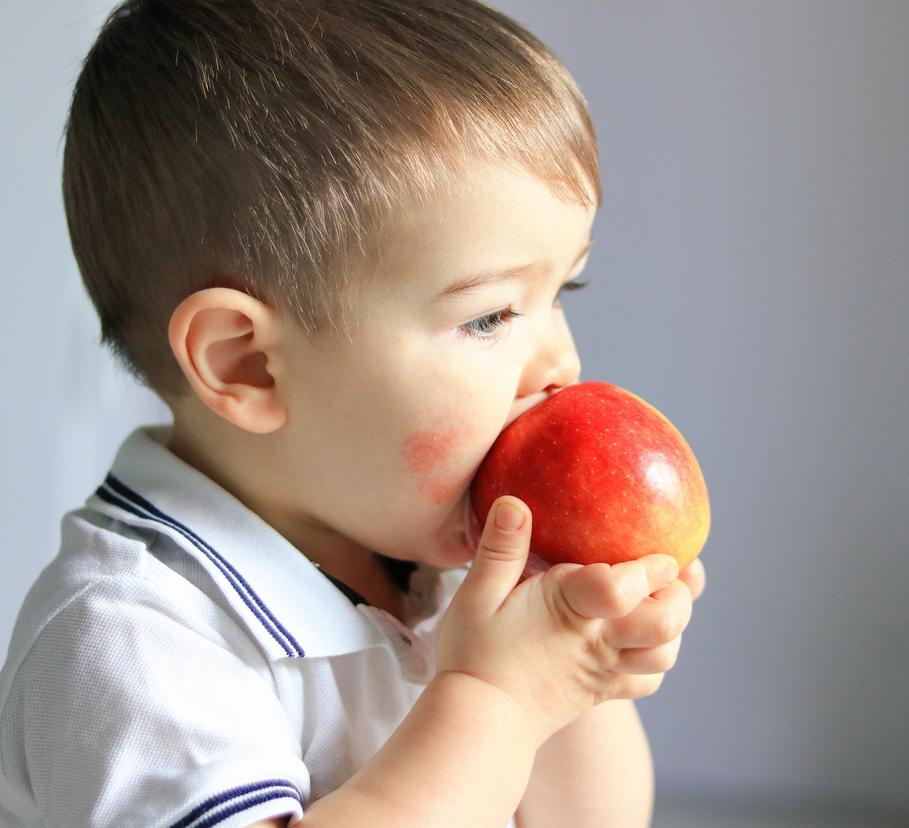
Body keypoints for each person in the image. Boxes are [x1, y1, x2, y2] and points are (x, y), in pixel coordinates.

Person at [0, 1, 707, 825]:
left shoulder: (435, 567)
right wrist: (494, 702)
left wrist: (575, 678)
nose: (563, 364)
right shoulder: (129, 638)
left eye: (562, 293)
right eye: (489, 316)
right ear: (249, 365)